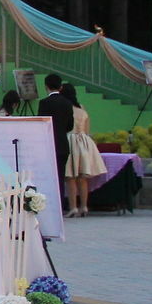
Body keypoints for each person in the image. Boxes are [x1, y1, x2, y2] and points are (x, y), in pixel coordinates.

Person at [62, 83, 104, 217]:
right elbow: (87, 129)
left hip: (70, 140)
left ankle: (73, 207)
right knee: (82, 178)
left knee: (70, 177)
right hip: (84, 141)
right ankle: (84, 206)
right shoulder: (82, 108)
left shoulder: (66, 108)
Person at [38, 74, 72, 183]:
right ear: (60, 87)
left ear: (46, 86)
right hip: (62, 145)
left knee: (48, 179)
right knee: (60, 179)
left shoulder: (44, 103)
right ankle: (60, 199)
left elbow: (41, 125)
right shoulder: (67, 103)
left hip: (48, 145)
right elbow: (70, 126)